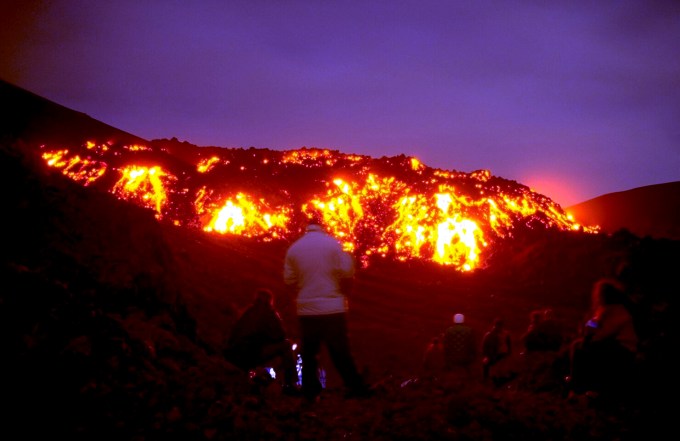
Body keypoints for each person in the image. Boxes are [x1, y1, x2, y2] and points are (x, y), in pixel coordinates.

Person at [283, 217, 372, 401]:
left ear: (306, 228)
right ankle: (355, 386)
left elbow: (289, 279)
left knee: (309, 354)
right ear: (322, 227)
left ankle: (310, 391)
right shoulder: (333, 244)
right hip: (333, 308)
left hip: (307, 311)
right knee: (340, 351)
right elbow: (347, 271)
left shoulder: (294, 248)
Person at [567, 278, 639, 399]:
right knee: (579, 346)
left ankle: (579, 387)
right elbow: (592, 326)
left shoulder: (618, 311)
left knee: (583, 348)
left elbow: (605, 332)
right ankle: (579, 385)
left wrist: (590, 335)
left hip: (623, 348)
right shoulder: (604, 310)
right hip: (610, 344)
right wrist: (591, 324)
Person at [223, 289, 299, 395]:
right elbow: (280, 335)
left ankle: (257, 379)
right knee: (286, 346)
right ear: (270, 301)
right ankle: (290, 385)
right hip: (249, 355)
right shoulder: (268, 313)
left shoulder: (248, 312)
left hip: (233, 354)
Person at [481, 317, 512, 383]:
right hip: (493, 354)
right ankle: (486, 378)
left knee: (500, 369)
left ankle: (492, 380)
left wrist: (509, 352)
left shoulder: (505, 334)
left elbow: (508, 343)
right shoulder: (489, 334)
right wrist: (486, 354)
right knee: (487, 364)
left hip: (502, 354)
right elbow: (484, 345)